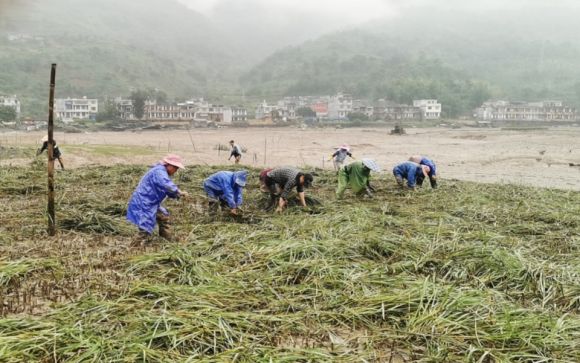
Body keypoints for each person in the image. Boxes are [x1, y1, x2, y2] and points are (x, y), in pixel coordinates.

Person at [127, 154, 188, 242]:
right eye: (175, 167)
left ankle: (166, 238)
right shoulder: (159, 171)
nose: (176, 170)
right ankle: (134, 246)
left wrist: (177, 195)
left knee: (163, 216)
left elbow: (166, 189)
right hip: (144, 202)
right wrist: (178, 191)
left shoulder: (161, 172)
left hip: (152, 202)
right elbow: (166, 184)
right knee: (145, 228)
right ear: (168, 164)